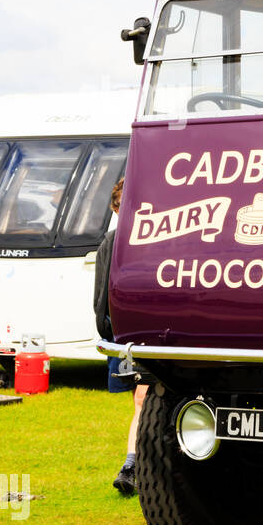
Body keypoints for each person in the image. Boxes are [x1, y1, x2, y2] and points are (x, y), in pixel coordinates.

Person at [95, 179, 151, 496]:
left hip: (150, 334)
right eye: (119, 210)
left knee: (144, 399)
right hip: (121, 336)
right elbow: (101, 296)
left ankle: (133, 465)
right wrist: (108, 333)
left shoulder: (154, 240)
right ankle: (134, 465)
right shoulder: (111, 242)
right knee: (140, 402)